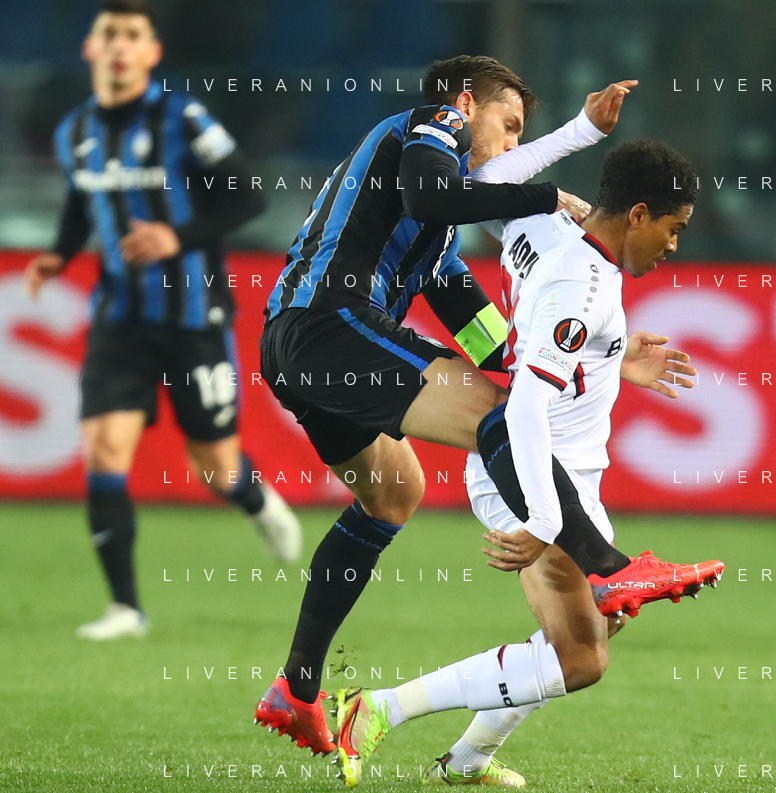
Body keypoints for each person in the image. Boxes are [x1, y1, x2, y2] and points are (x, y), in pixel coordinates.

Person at [253, 56, 721, 757]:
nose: (510, 144)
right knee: (496, 417)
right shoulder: (430, 125)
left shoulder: (436, 231)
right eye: (509, 125)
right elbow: (431, 198)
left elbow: (487, 335)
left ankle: (297, 689)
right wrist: (545, 196)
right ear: (468, 105)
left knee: (393, 494)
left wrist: (607, 357)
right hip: (328, 322)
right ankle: (608, 566)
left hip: (299, 346)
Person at [23, 0, 301, 642]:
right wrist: (59, 254)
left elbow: (248, 196)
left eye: (133, 36)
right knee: (104, 448)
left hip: (190, 316)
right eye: (109, 34)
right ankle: (126, 608)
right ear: (91, 48)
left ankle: (255, 499)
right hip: (118, 319)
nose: (120, 46)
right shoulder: (75, 130)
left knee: (215, 467)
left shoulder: (183, 118)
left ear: (152, 53)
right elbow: (81, 203)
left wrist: (177, 237)